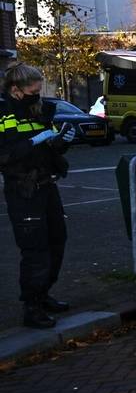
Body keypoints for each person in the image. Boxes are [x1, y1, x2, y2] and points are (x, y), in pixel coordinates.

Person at [0, 64, 77, 329]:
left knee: (57, 241)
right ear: (15, 90)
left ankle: (43, 294)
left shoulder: (39, 111)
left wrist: (62, 141)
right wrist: (34, 142)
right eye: (33, 91)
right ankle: (31, 307)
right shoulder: (3, 114)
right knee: (35, 249)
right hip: (23, 190)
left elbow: (51, 149)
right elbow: (5, 155)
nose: (37, 95)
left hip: (46, 186)